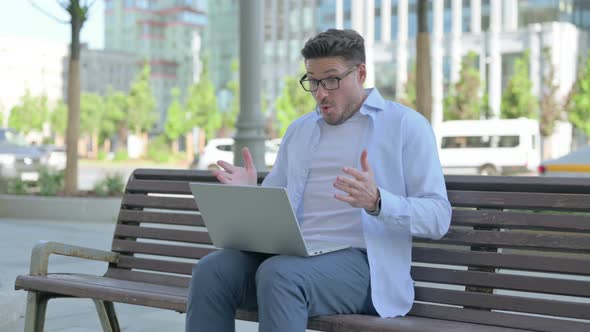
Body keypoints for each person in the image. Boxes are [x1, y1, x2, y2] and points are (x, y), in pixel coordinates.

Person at [185, 29, 451, 332]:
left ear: (360, 73)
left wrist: (378, 202)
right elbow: (277, 209)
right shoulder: (300, 130)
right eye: (312, 81)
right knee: (212, 271)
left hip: (364, 268)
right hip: (296, 257)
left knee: (280, 274)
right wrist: (251, 194)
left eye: (332, 80)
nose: (321, 92)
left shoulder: (405, 125)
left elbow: (439, 217)